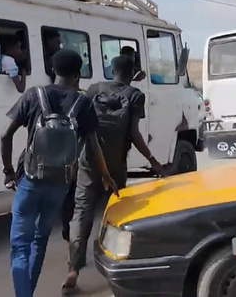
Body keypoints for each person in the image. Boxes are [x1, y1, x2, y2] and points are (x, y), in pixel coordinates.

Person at [0, 49, 117, 297]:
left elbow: (5, 134)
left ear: (53, 71)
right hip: (60, 184)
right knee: (39, 240)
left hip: (30, 180)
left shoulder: (34, 95)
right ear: (78, 75)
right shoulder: (83, 103)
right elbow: (94, 147)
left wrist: (9, 171)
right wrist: (106, 175)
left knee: (20, 245)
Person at [62, 54, 164, 293]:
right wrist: (153, 162)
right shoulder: (135, 95)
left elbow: (78, 124)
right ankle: (118, 262)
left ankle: (73, 270)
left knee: (82, 214)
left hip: (89, 163)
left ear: (112, 70)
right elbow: (134, 134)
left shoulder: (94, 89)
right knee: (118, 214)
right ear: (132, 73)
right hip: (115, 166)